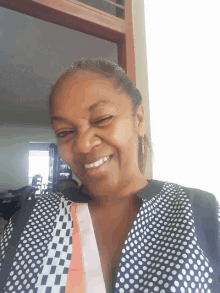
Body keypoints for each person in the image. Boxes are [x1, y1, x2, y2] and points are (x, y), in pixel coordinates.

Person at [0, 58, 220, 293]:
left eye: (102, 119)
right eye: (64, 132)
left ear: (138, 120)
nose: (83, 145)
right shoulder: (30, 218)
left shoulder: (198, 211)